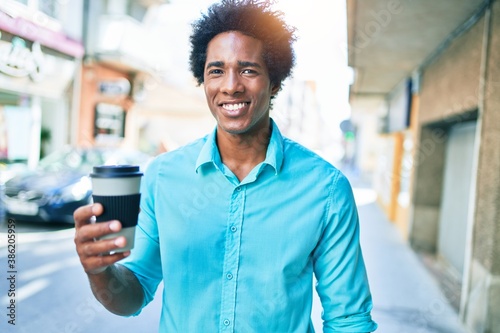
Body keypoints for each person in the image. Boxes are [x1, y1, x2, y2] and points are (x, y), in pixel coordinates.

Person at [73, 0, 378, 332]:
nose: (230, 85)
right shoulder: (162, 177)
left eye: (248, 69)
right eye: (216, 70)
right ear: (203, 81)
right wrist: (100, 271)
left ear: (274, 82)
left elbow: (349, 319)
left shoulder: (326, 189)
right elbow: (131, 295)